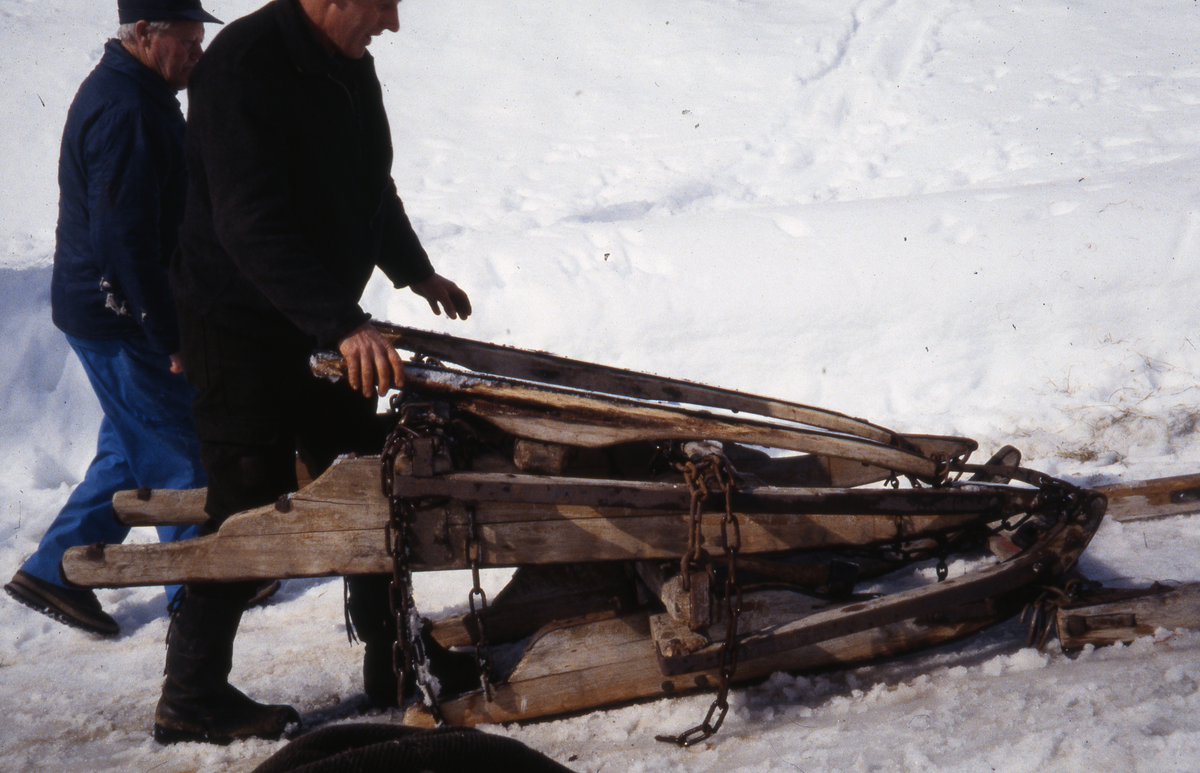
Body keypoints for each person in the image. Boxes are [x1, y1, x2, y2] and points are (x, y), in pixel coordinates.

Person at [157, 0, 472, 745]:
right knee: (248, 498)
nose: (392, 23)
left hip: (317, 316)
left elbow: (372, 187)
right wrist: (342, 323)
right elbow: (248, 221)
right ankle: (191, 694)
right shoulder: (242, 65)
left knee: (365, 469)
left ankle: (391, 654)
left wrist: (415, 272)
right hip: (237, 323)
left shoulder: (348, 67)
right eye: (384, 4)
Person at [4, 0, 225, 638]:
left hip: (113, 309)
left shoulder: (139, 93)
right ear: (145, 35)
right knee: (178, 454)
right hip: (119, 315)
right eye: (187, 41)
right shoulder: (127, 109)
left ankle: (53, 573)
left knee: (131, 452)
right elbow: (122, 238)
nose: (197, 54)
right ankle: (202, 591)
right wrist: (164, 332)